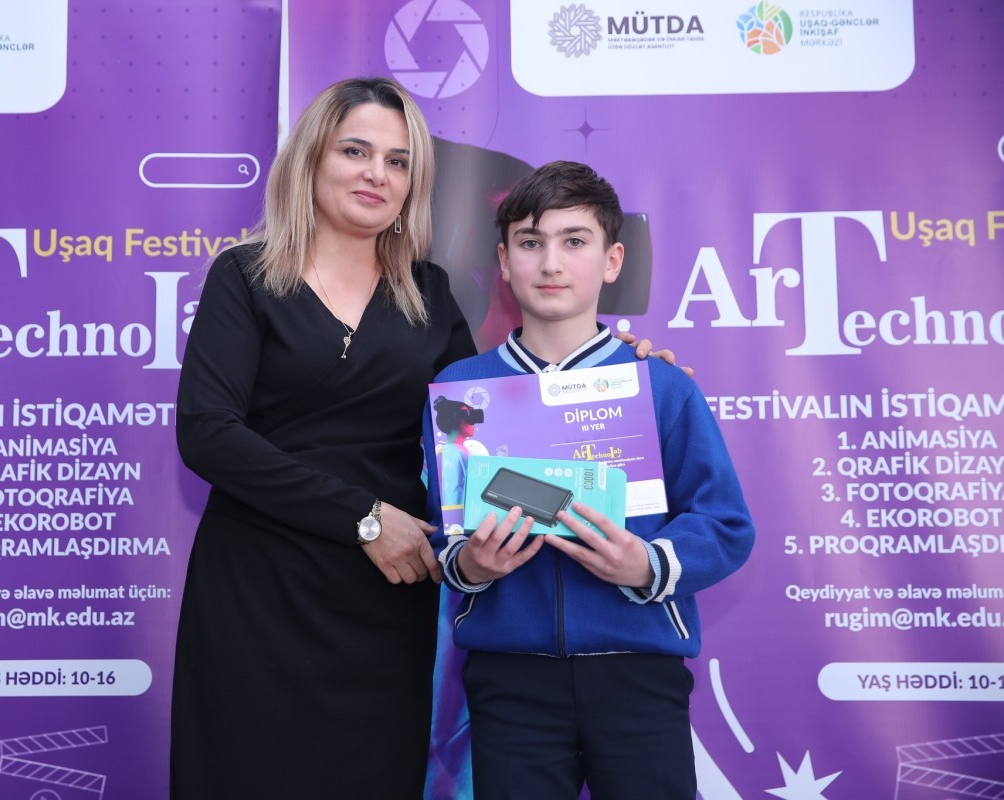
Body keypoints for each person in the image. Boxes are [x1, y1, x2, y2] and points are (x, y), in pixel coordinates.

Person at [173, 75, 671, 797]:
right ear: (311, 159)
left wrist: (616, 375)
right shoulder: (245, 277)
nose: (376, 173)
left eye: (398, 160)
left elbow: (490, 424)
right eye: (355, 151)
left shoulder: (429, 292)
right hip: (258, 586)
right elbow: (208, 434)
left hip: (385, 592)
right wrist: (365, 518)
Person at [422, 161, 755, 799]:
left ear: (612, 260)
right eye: (530, 242)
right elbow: (445, 531)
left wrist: (648, 564)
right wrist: (470, 564)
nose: (551, 263)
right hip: (510, 681)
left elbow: (725, 524)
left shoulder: (660, 383)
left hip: (639, 675)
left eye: (574, 241)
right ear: (504, 261)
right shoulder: (462, 391)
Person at [431, 395, 486, 511]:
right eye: (467, 415)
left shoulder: (457, 450)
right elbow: (452, 493)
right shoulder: (453, 453)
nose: (473, 423)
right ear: (452, 419)